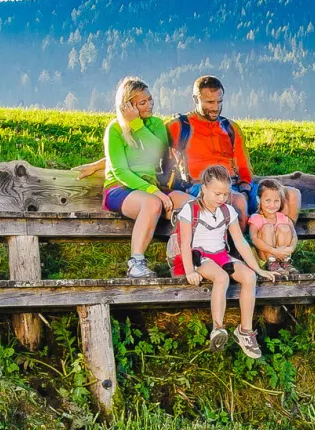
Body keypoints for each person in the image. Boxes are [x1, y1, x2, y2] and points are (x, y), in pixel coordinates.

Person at [166, 75, 301, 223]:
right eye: (210, 102)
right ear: (195, 99)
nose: (215, 107)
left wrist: (245, 189)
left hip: (236, 185)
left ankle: (281, 242)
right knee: (238, 202)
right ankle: (239, 246)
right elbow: (160, 160)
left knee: (292, 196)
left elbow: (243, 165)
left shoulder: (230, 127)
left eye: (219, 101)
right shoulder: (179, 126)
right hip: (201, 186)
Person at [172, 165, 272, 358]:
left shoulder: (228, 211)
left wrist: (258, 269)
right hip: (200, 256)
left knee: (249, 277)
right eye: (217, 194)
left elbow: (241, 242)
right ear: (204, 189)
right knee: (221, 277)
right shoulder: (190, 209)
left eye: (226, 194)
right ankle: (217, 328)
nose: (222, 198)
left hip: (221, 254)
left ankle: (245, 331)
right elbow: (184, 243)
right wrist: (189, 271)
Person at [102, 76, 189, 278]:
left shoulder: (156, 124)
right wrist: (155, 193)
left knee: (191, 205)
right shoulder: (114, 129)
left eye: (150, 99)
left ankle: (184, 260)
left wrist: (138, 126)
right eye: (142, 103)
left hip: (151, 186)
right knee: (152, 204)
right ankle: (136, 263)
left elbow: (158, 151)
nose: (149, 105)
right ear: (127, 106)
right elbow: (120, 171)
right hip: (120, 188)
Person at [248, 179, 298, 276]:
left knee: (285, 228)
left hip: (282, 254)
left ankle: (285, 262)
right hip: (265, 256)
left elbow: (294, 235)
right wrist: (274, 251)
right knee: (267, 227)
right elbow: (254, 239)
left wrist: (291, 248)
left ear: (280, 201)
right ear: (259, 199)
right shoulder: (256, 218)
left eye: (276, 201)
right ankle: (272, 263)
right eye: (268, 200)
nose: (272, 205)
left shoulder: (284, 218)